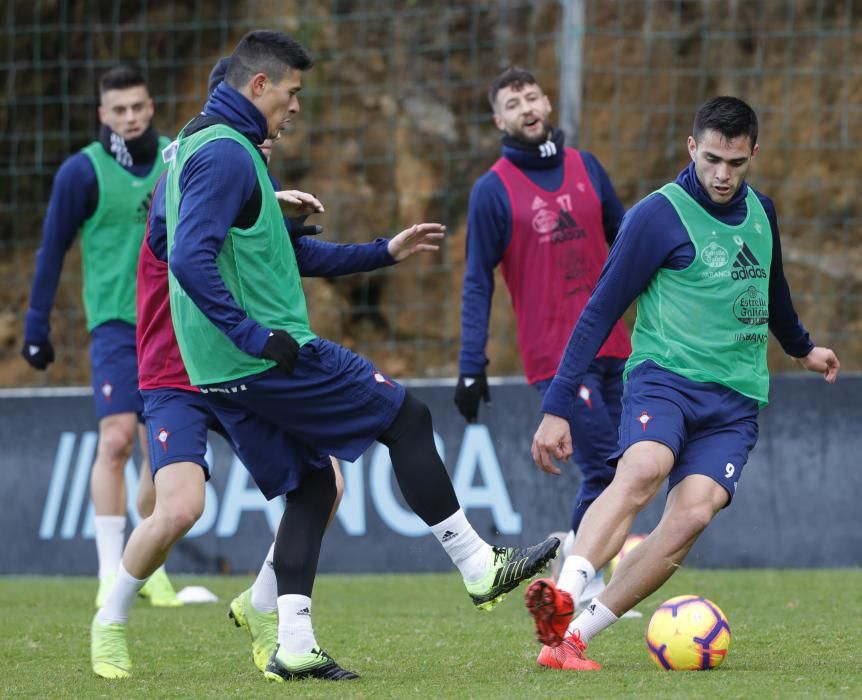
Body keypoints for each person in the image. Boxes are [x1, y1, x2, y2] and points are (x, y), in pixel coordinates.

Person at [164, 30, 559, 682]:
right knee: (406, 418)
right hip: (262, 355)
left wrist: (375, 250)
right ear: (257, 86)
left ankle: (289, 636)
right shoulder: (230, 157)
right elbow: (184, 257)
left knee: (313, 485)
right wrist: (253, 333)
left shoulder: (190, 151)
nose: (297, 107)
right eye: (292, 93)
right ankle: (477, 564)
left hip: (216, 369)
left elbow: (170, 238)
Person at [90, 56, 454, 680]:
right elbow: (172, 246)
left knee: (325, 484)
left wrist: (267, 211)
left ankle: (264, 609)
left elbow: (269, 249)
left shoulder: (232, 164)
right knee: (179, 509)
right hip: (176, 371)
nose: (286, 113)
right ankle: (111, 619)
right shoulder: (196, 163)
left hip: (242, 369)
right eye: (285, 97)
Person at [524, 96, 840, 671]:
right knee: (643, 467)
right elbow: (599, 311)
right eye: (712, 158)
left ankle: (574, 639)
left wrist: (802, 348)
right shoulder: (656, 216)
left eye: (736, 163)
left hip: (736, 399)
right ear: (692, 147)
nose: (722, 175)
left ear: (753, 156)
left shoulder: (762, 212)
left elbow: (772, 293)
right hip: (665, 378)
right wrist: (557, 405)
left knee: (694, 514)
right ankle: (566, 593)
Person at [455, 66, 633, 609]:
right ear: (498, 119)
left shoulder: (587, 167)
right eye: (513, 103)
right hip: (557, 360)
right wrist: (470, 363)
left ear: (549, 103)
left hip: (619, 346)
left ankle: (573, 568)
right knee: (605, 468)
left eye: (532, 97)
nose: (526, 108)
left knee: (622, 467)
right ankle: (582, 585)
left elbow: (630, 243)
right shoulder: (492, 191)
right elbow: (476, 281)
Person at [21, 64, 180, 607]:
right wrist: (35, 324)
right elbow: (51, 250)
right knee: (115, 439)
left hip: (170, 320)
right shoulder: (81, 173)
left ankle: (148, 566)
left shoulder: (174, 160)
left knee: (156, 448)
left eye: (139, 106)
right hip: (114, 323)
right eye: (119, 110)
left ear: (152, 105)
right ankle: (109, 571)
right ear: (102, 115)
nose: (131, 117)